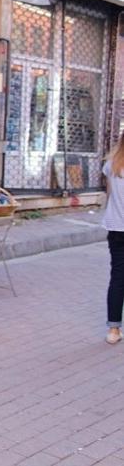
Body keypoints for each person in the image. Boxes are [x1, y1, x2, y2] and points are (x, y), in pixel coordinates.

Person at [102, 134, 124, 344]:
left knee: (118, 278)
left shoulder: (111, 165)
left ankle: (113, 330)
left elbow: (110, 195)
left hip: (116, 227)